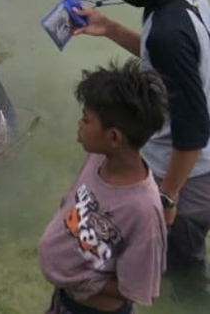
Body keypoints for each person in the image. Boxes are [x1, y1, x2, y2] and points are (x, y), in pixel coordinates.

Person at [73, 0, 210, 286]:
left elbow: (194, 129)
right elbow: (168, 64)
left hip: (189, 174)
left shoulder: (167, 29)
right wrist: (112, 28)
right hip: (196, 162)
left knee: (178, 275)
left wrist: (167, 197)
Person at [38, 60, 169, 314]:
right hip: (65, 299)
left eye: (86, 120)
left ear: (113, 137)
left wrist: (82, 277)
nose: (79, 125)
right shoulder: (99, 157)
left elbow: (138, 288)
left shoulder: (142, 212)